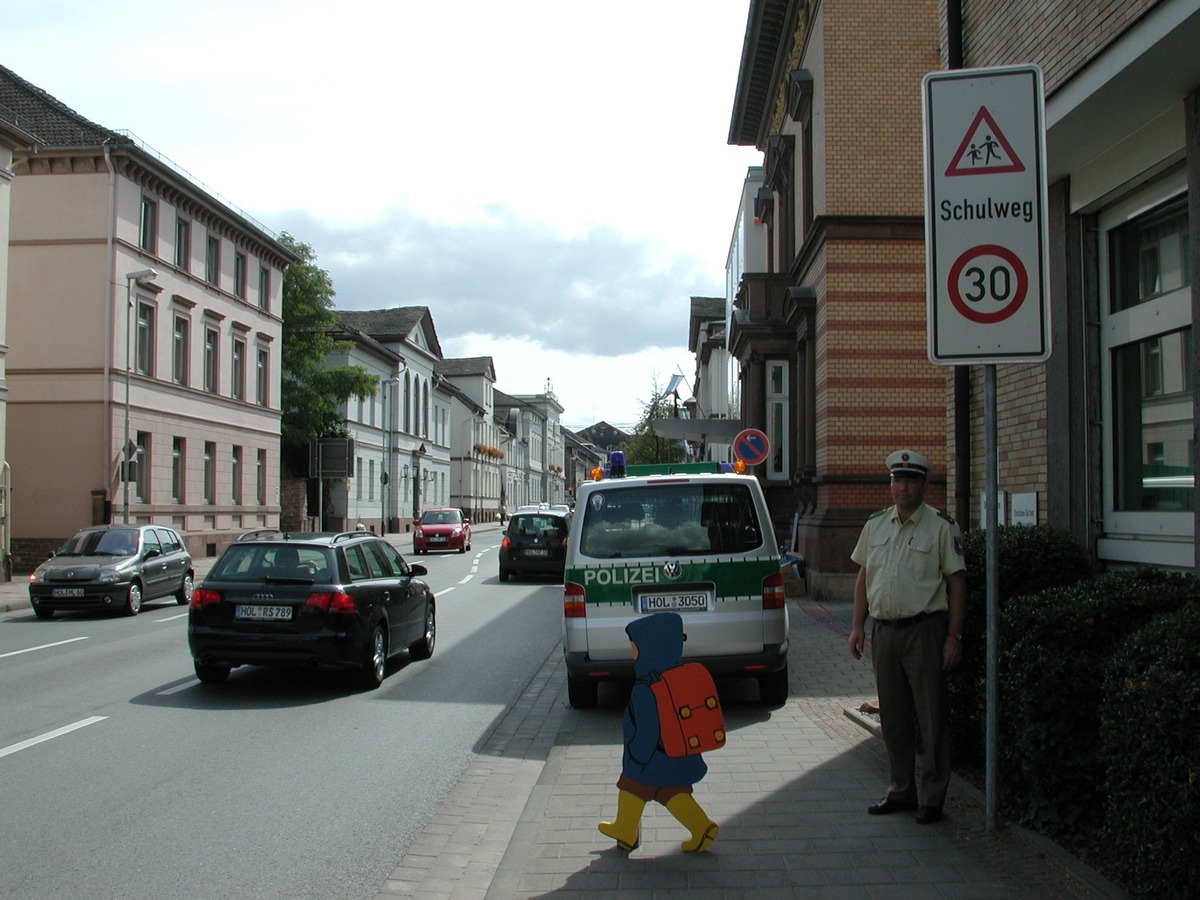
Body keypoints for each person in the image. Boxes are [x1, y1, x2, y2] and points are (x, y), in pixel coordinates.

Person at [848, 449, 966, 825]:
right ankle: (901, 789)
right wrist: (856, 627)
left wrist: (954, 636)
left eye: (910, 480)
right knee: (894, 718)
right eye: (897, 480)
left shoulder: (941, 528)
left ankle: (932, 798)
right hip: (885, 633)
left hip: (924, 632)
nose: (902, 487)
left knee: (931, 717)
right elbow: (864, 578)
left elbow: (958, 583)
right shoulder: (876, 525)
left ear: (923, 485)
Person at [598, 612, 718, 853]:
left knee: (632, 786)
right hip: (677, 754)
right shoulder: (678, 677)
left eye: (634, 648)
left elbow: (646, 731)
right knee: (671, 793)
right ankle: (700, 826)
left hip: (650, 758)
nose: (632, 653)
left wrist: (636, 758)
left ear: (648, 647)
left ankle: (627, 830)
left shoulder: (644, 688)